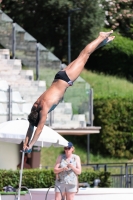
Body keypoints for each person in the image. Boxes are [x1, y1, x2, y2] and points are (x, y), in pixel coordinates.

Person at [23, 30, 115, 152]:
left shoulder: (44, 109)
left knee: (85, 55)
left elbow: (38, 130)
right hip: (59, 77)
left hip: (67, 79)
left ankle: (100, 37)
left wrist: (31, 145)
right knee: (82, 55)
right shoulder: (35, 106)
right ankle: (102, 42)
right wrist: (26, 143)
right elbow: (30, 127)